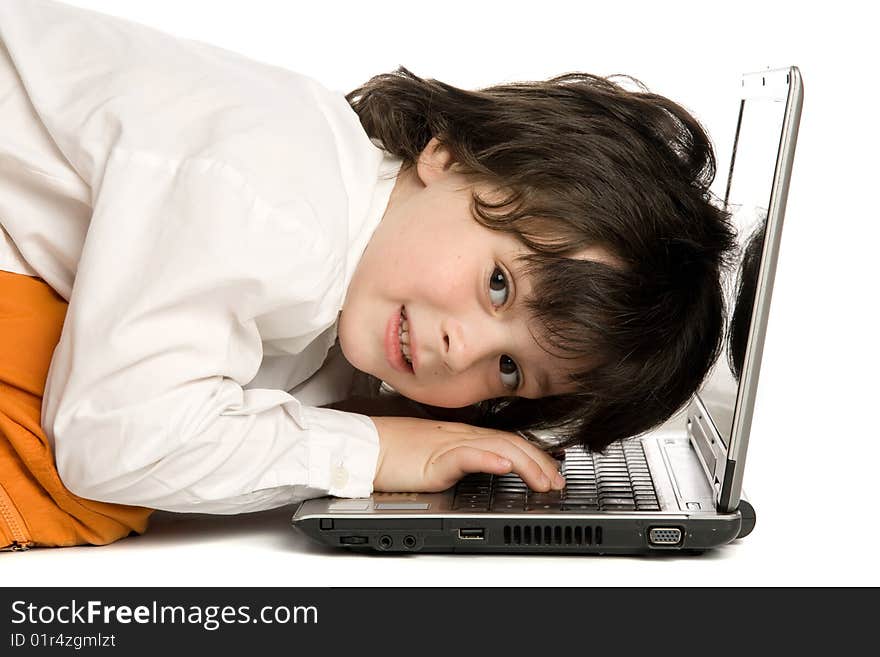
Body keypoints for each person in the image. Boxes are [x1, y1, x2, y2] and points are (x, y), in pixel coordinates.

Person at [0, 0, 735, 550]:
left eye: (510, 369)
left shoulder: (356, 247)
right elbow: (113, 446)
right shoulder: (282, 210)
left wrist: (399, 423)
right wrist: (375, 450)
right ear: (448, 156)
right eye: (500, 285)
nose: (461, 347)